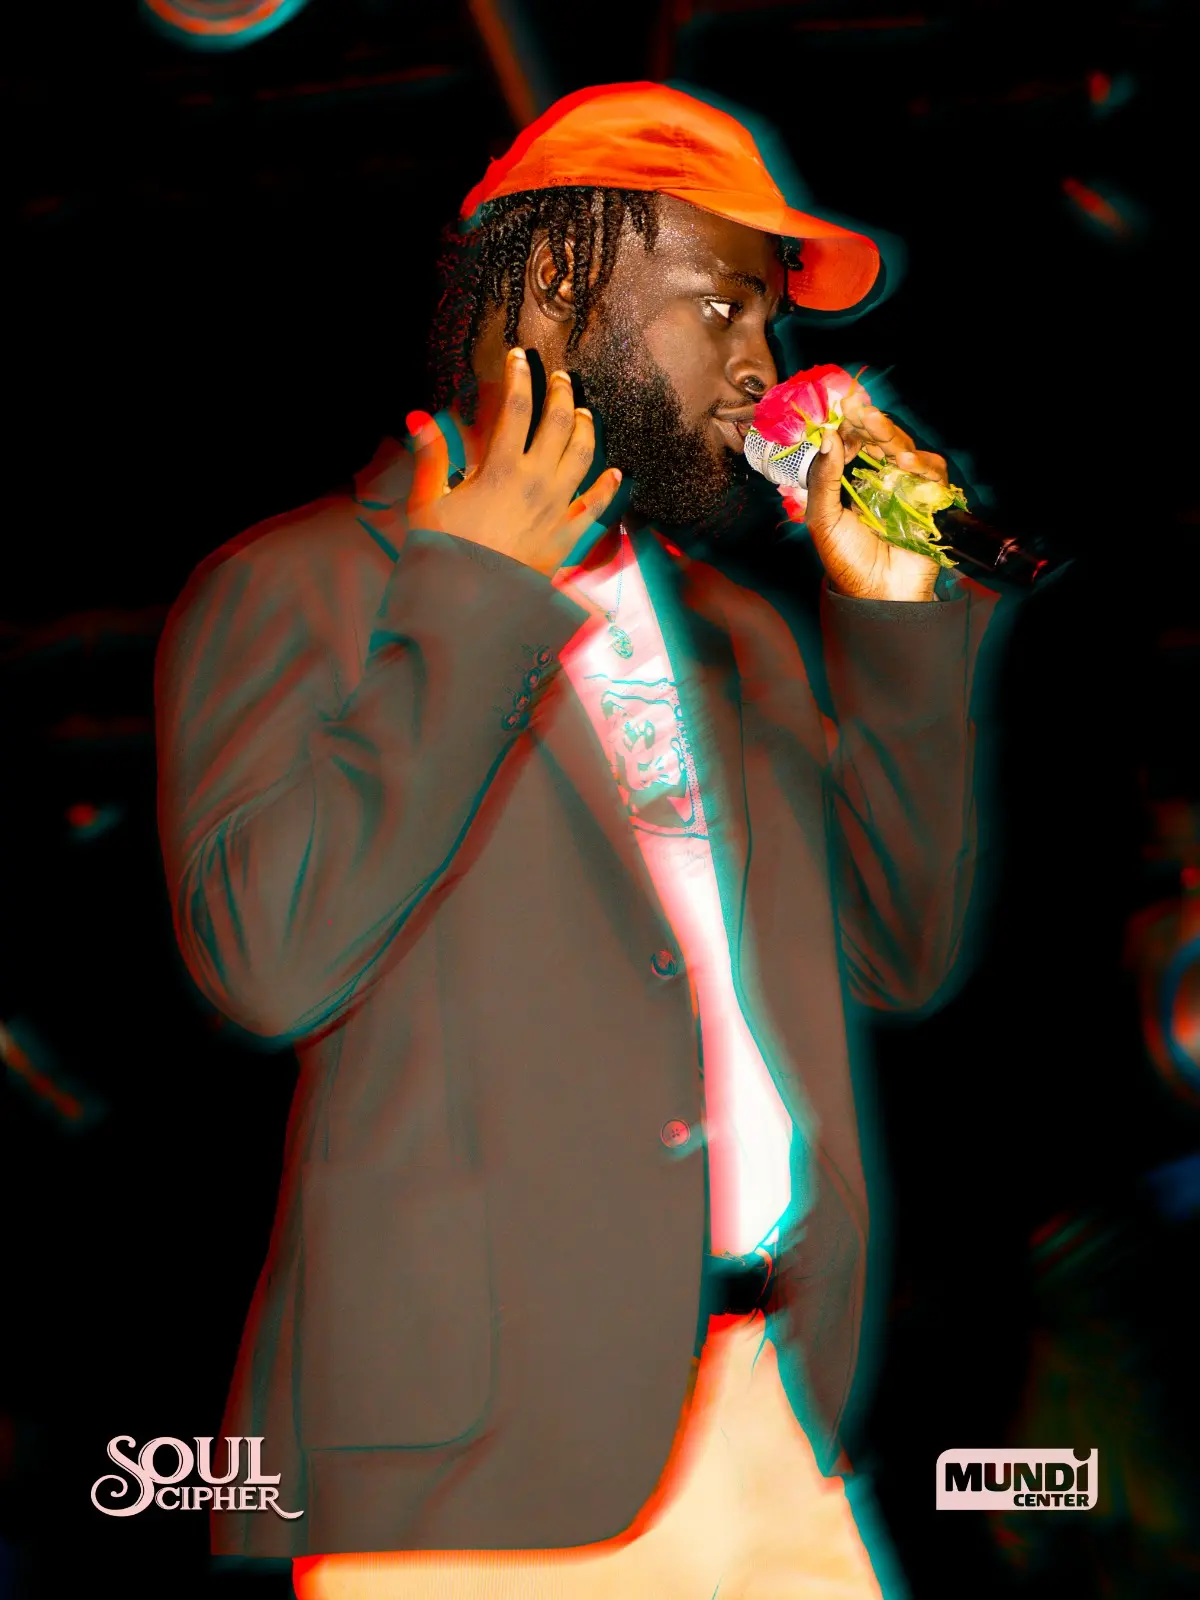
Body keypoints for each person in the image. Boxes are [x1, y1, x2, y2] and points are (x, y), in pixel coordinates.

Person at [155, 81, 997, 1598]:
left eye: (768, 320)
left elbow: (898, 956)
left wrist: (892, 628)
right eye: (722, 309)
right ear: (559, 283)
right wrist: (473, 599)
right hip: (478, 1485)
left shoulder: (734, 633)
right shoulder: (303, 588)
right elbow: (268, 966)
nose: (764, 366)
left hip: (771, 1425)